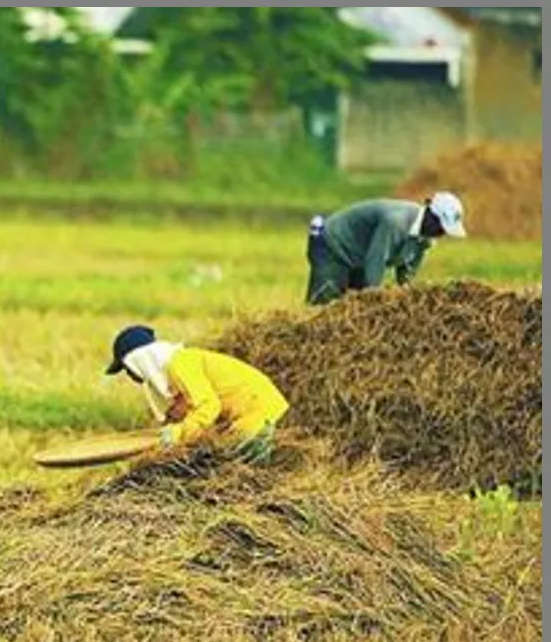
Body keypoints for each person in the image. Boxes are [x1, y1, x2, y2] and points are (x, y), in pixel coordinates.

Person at [104, 325, 289, 463]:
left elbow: (208, 406)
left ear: (140, 360)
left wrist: (177, 434)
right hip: (243, 413)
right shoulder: (172, 372)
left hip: (253, 411)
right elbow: (189, 406)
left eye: (127, 368)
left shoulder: (180, 364)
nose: (128, 375)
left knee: (244, 474)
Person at [305, 191, 466, 306]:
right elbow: (376, 261)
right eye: (441, 227)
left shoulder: (425, 239)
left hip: (359, 257)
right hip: (333, 246)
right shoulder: (396, 223)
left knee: (355, 308)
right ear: (431, 215)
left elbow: (407, 275)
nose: (442, 233)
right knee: (325, 306)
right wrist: (377, 301)